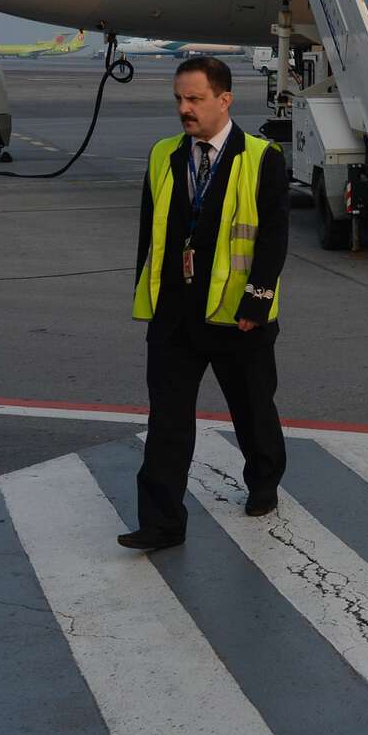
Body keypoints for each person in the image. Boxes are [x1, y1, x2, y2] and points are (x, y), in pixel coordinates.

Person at [119, 56, 291, 550]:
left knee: (252, 409)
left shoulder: (261, 157)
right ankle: (161, 523)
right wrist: (149, 298)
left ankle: (264, 482)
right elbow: (149, 235)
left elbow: (273, 238)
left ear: (224, 100)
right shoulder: (163, 155)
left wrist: (256, 303)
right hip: (175, 314)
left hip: (237, 316)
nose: (184, 109)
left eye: (194, 99)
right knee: (167, 422)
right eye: (179, 99)